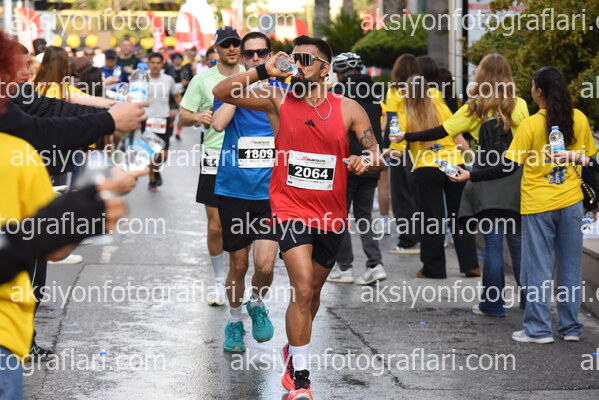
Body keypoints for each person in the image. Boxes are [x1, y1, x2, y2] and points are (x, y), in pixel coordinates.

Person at [213, 35, 384, 400]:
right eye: (294, 58)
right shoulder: (277, 99)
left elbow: (376, 154)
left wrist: (364, 160)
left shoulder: (349, 108)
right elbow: (222, 91)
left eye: (305, 59)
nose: (297, 64)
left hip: (331, 215)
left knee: (312, 294)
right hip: (289, 209)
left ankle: (293, 351)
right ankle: (302, 380)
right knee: (302, 287)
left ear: (325, 68)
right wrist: (264, 69)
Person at [448, 66, 596, 343]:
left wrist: (471, 175)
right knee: (570, 268)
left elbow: (507, 167)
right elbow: (589, 162)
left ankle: (538, 329)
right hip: (572, 203)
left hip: (538, 205)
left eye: (532, 87)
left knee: (537, 268)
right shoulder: (579, 118)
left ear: (538, 92)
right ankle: (571, 328)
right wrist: (594, 200)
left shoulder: (530, 125)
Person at [391, 53, 531, 279]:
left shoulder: (473, 107)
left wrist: (407, 136)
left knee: (489, 241)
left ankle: (483, 293)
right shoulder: (520, 104)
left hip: (482, 176)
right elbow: (528, 142)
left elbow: (443, 130)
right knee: (512, 238)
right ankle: (514, 288)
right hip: (509, 175)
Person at [211, 31, 287, 353]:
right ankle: (233, 321)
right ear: (242, 58)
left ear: (271, 54)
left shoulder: (284, 91)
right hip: (234, 190)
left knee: (265, 266)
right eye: (250, 54)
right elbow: (218, 124)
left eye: (262, 53)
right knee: (239, 265)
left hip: (271, 193)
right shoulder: (231, 88)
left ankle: (255, 303)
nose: (256, 58)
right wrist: (247, 84)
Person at [179, 26, 243, 306]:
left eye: (236, 44)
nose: (232, 49)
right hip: (214, 156)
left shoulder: (251, 75)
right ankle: (219, 280)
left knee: (243, 225)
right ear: (216, 49)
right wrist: (197, 117)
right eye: (226, 44)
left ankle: (237, 279)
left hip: (247, 158)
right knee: (216, 226)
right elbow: (182, 116)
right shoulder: (202, 80)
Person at [389, 75, 477, 279]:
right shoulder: (441, 107)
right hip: (453, 164)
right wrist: (468, 153)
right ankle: (471, 265)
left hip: (427, 167)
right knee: (460, 214)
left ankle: (434, 268)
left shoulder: (404, 114)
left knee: (431, 218)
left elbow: (398, 152)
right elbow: (456, 135)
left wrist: (384, 153)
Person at [327, 52, 387, 285]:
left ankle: (345, 267)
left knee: (340, 216)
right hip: (371, 162)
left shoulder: (336, 95)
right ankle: (375, 264)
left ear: (339, 73)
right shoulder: (374, 94)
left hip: (347, 164)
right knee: (364, 216)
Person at [384, 54, 422, 255]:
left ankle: (408, 240)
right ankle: (425, 236)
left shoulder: (394, 91)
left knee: (402, 195)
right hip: (424, 146)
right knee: (420, 193)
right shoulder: (426, 90)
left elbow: (393, 120)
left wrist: (390, 147)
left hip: (402, 147)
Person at [144, 52, 181, 192]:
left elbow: (176, 96)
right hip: (147, 120)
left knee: (163, 155)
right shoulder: (142, 79)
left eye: (158, 63)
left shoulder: (168, 79)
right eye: (152, 62)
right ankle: (152, 179)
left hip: (164, 119)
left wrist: (182, 110)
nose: (155, 65)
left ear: (162, 64)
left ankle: (155, 169)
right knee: (151, 152)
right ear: (148, 63)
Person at [165, 53, 192, 140]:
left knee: (181, 116)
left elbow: (192, 80)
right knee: (172, 114)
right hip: (171, 95)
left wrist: (187, 82)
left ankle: (178, 133)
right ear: (173, 60)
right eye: (175, 59)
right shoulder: (168, 70)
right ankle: (171, 126)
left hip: (183, 95)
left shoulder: (187, 69)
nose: (177, 60)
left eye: (179, 59)